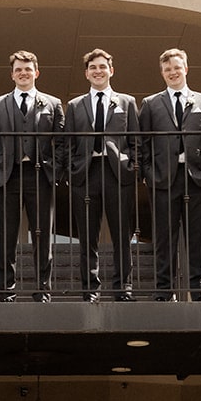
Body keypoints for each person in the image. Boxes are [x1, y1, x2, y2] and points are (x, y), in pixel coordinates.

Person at [139, 48, 201, 300]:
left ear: (185, 68)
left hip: (197, 178)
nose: (172, 72)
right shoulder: (151, 104)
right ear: (162, 73)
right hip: (163, 179)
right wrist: (148, 173)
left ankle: (199, 289)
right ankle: (165, 289)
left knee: (198, 237)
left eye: (176, 67)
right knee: (164, 236)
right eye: (167, 69)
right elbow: (142, 143)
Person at [0, 50, 65, 301]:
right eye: (18, 69)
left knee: (41, 236)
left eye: (28, 69)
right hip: (7, 177)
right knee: (7, 237)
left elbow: (61, 142)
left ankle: (42, 290)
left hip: (40, 176)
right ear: (12, 74)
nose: (23, 73)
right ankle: (6, 291)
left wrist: (55, 168)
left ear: (36, 72)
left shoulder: (52, 103)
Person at [64, 48, 140, 301]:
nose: (98, 71)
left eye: (102, 67)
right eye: (93, 68)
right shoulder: (75, 106)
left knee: (122, 233)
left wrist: (133, 166)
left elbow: (135, 140)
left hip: (118, 173)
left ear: (111, 70)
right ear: (86, 73)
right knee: (87, 236)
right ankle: (90, 289)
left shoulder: (127, 102)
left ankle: (122, 287)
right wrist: (71, 170)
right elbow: (68, 143)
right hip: (86, 174)